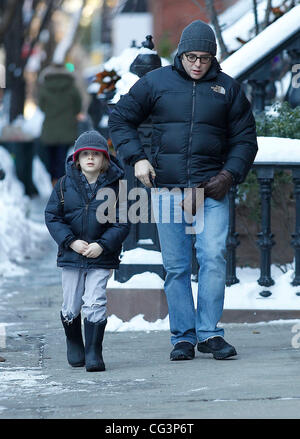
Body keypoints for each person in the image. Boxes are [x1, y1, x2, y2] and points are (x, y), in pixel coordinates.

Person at [108, 20, 258, 361]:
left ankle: (209, 334)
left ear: (213, 58)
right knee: (175, 266)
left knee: (213, 259)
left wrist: (229, 174)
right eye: (191, 56)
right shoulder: (156, 82)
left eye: (204, 58)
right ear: (180, 54)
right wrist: (138, 159)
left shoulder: (227, 89)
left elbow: (246, 139)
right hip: (167, 190)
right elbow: (120, 119)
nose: (197, 64)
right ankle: (183, 337)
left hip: (210, 190)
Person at [45, 130, 130, 372]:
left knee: (95, 300)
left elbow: (123, 222)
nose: (90, 159)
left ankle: (94, 350)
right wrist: (70, 241)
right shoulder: (63, 185)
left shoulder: (117, 188)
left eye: (96, 155)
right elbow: (52, 216)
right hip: (72, 255)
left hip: (101, 255)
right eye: (85, 155)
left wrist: (102, 245)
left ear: (105, 159)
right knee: (71, 303)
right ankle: (74, 341)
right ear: (77, 159)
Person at [38, 63, 82, 186]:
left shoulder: (45, 87)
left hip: (49, 129)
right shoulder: (72, 87)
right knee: (62, 157)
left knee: (50, 158)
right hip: (67, 128)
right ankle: (60, 182)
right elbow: (78, 106)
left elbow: (41, 107)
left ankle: (53, 181)